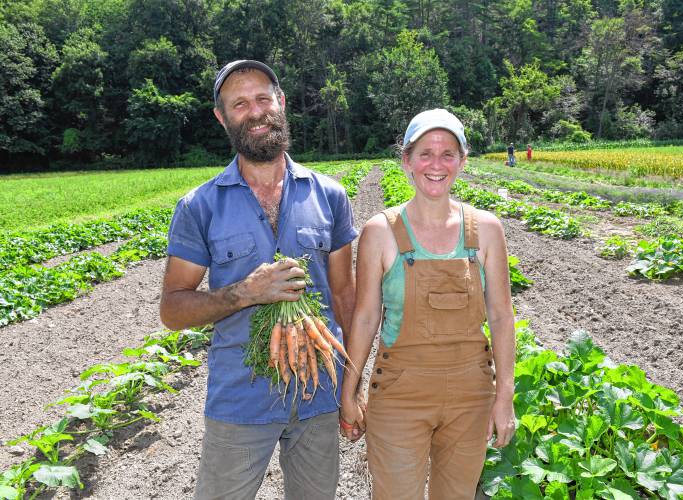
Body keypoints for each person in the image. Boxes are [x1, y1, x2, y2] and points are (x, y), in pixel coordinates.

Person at [160, 60, 357, 500]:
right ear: (222, 116)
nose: (255, 111)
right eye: (240, 103)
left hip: (319, 395)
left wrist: (352, 385)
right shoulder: (199, 206)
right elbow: (173, 309)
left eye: (263, 98)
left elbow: (346, 296)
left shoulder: (330, 195)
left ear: (281, 102)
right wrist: (243, 293)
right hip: (239, 398)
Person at [339, 109, 516, 499]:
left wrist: (505, 396)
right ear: (406, 161)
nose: (436, 165)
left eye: (448, 154)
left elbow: (502, 317)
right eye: (425, 153)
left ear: (462, 161)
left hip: (471, 393)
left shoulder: (485, 230)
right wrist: (349, 393)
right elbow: (366, 318)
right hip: (400, 392)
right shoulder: (380, 232)